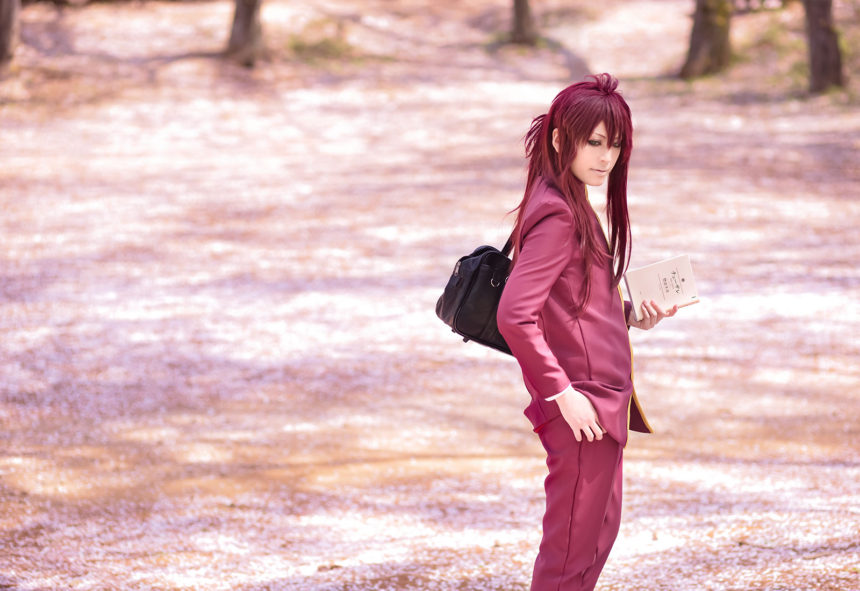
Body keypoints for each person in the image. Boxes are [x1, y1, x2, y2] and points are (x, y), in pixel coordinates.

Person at [496, 73, 677, 591]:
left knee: (595, 537)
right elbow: (515, 315)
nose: (607, 157)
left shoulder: (567, 200)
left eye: (615, 145)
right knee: (570, 554)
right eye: (595, 143)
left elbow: (570, 302)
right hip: (582, 407)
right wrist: (563, 394)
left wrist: (630, 315)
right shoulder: (558, 213)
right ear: (560, 139)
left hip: (599, 405)